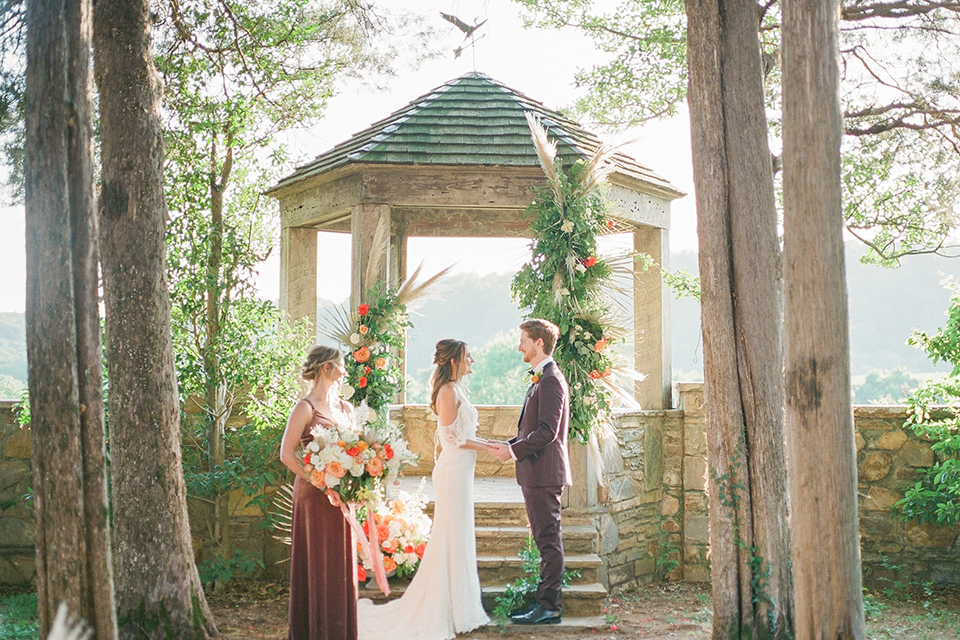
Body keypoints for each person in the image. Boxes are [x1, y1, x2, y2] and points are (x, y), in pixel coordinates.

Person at [357, 339, 492, 640]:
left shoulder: (456, 390)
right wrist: (492, 447)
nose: (472, 360)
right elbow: (452, 437)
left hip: (462, 471)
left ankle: (461, 606)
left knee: (458, 534)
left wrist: (488, 445)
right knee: (451, 533)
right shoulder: (447, 391)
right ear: (454, 361)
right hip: (453, 471)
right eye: (468, 356)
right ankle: (444, 607)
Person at [491, 319, 572, 625]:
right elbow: (532, 429)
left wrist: (513, 451)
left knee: (548, 539)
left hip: (544, 472)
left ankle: (549, 607)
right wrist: (509, 444)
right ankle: (544, 602)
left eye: (523, 340)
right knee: (544, 538)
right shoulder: (542, 377)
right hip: (535, 472)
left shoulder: (550, 379)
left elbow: (547, 431)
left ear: (539, 342)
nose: (519, 346)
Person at [280, 345, 358, 640]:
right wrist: (319, 481)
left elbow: (355, 451)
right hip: (314, 495)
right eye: (341, 365)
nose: (344, 371)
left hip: (342, 495)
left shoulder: (346, 408)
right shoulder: (305, 408)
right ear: (327, 368)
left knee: (340, 565)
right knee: (319, 564)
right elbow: (287, 454)